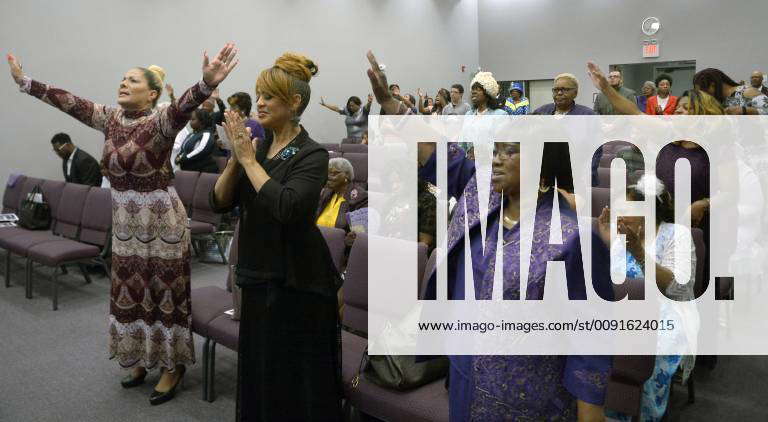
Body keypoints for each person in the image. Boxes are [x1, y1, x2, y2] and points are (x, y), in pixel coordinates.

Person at [7, 43, 239, 405]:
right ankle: (142, 358)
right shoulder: (110, 118)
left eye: (133, 80)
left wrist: (205, 85)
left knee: (164, 295)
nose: (123, 83)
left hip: (161, 222)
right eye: (122, 78)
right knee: (131, 292)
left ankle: (171, 366)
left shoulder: (160, 119)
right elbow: (70, 102)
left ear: (152, 93)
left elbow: (183, 108)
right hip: (126, 222)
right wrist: (27, 82)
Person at [211, 52, 343, 421]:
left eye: (269, 96)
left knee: (290, 374)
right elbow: (219, 201)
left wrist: (250, 162)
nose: (261, 102)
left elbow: (287, 207)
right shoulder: (259, 146)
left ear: (295, 102)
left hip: (296, 280)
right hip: (257, 273)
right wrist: (238, 160)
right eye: (259, 94)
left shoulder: (312, 154)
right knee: (261, 369)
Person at [599, 175, 697, 421]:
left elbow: (678, 290)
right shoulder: (618, 235)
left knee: (648, 354)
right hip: (620, 309)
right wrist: (600, 244)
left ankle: (643, 413)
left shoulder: (677, 235)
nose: (618, 216)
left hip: (667, 311)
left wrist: (639, 253)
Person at [316, 157, 368, 230]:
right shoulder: (325, 193)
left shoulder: (360, 197)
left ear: (346, 175)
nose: (328, 177)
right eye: (328, 173)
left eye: (334, 173)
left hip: (338, 240)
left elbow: (358, 232)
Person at [693, 67, 766, 115]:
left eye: (703, 91)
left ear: (713, 85)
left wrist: (745, 110)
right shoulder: (718, 101)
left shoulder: (747, 92)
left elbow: (766, 110)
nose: (703, 96)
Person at [175, 109, 218, 173]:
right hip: (188, 170)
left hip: (203, 171)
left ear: (202, 121)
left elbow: (201, 150)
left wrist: (183, 158)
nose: (190, 122)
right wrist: (179, 156)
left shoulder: (207, 134)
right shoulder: (192, 134)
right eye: (190, 119)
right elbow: (183, 148)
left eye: (193, 119)